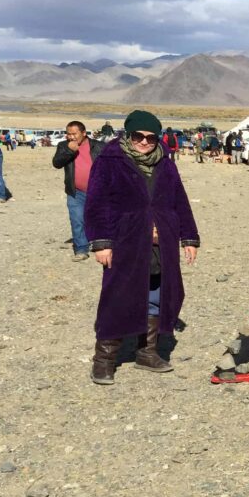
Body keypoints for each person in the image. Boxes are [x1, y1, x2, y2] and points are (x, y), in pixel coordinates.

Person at [84, 109, 200, 385]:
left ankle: (147, 353)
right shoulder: (110, 161)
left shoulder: (166, 163)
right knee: (117, 296)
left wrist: (189, 237)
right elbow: (96, 204)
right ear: (128, 134)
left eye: (151, 137)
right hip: (125, 241)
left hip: (163, 241)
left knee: (156, 295)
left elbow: (179, 201)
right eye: (139, 136)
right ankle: (104, 361)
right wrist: (101, 243)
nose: (145, 142)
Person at [52, 121, 107, 262]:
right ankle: (81, 249)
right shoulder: (63, 146)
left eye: (74, 134)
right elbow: (57, 163)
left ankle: (101, 244)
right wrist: (70, 150)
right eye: (68, 134)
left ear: (83, 133)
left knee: (99, 218)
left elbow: (110, 165)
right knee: (77, 219)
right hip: (76, 191)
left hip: (98, 191)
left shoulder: (99, 146)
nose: (71, 137)